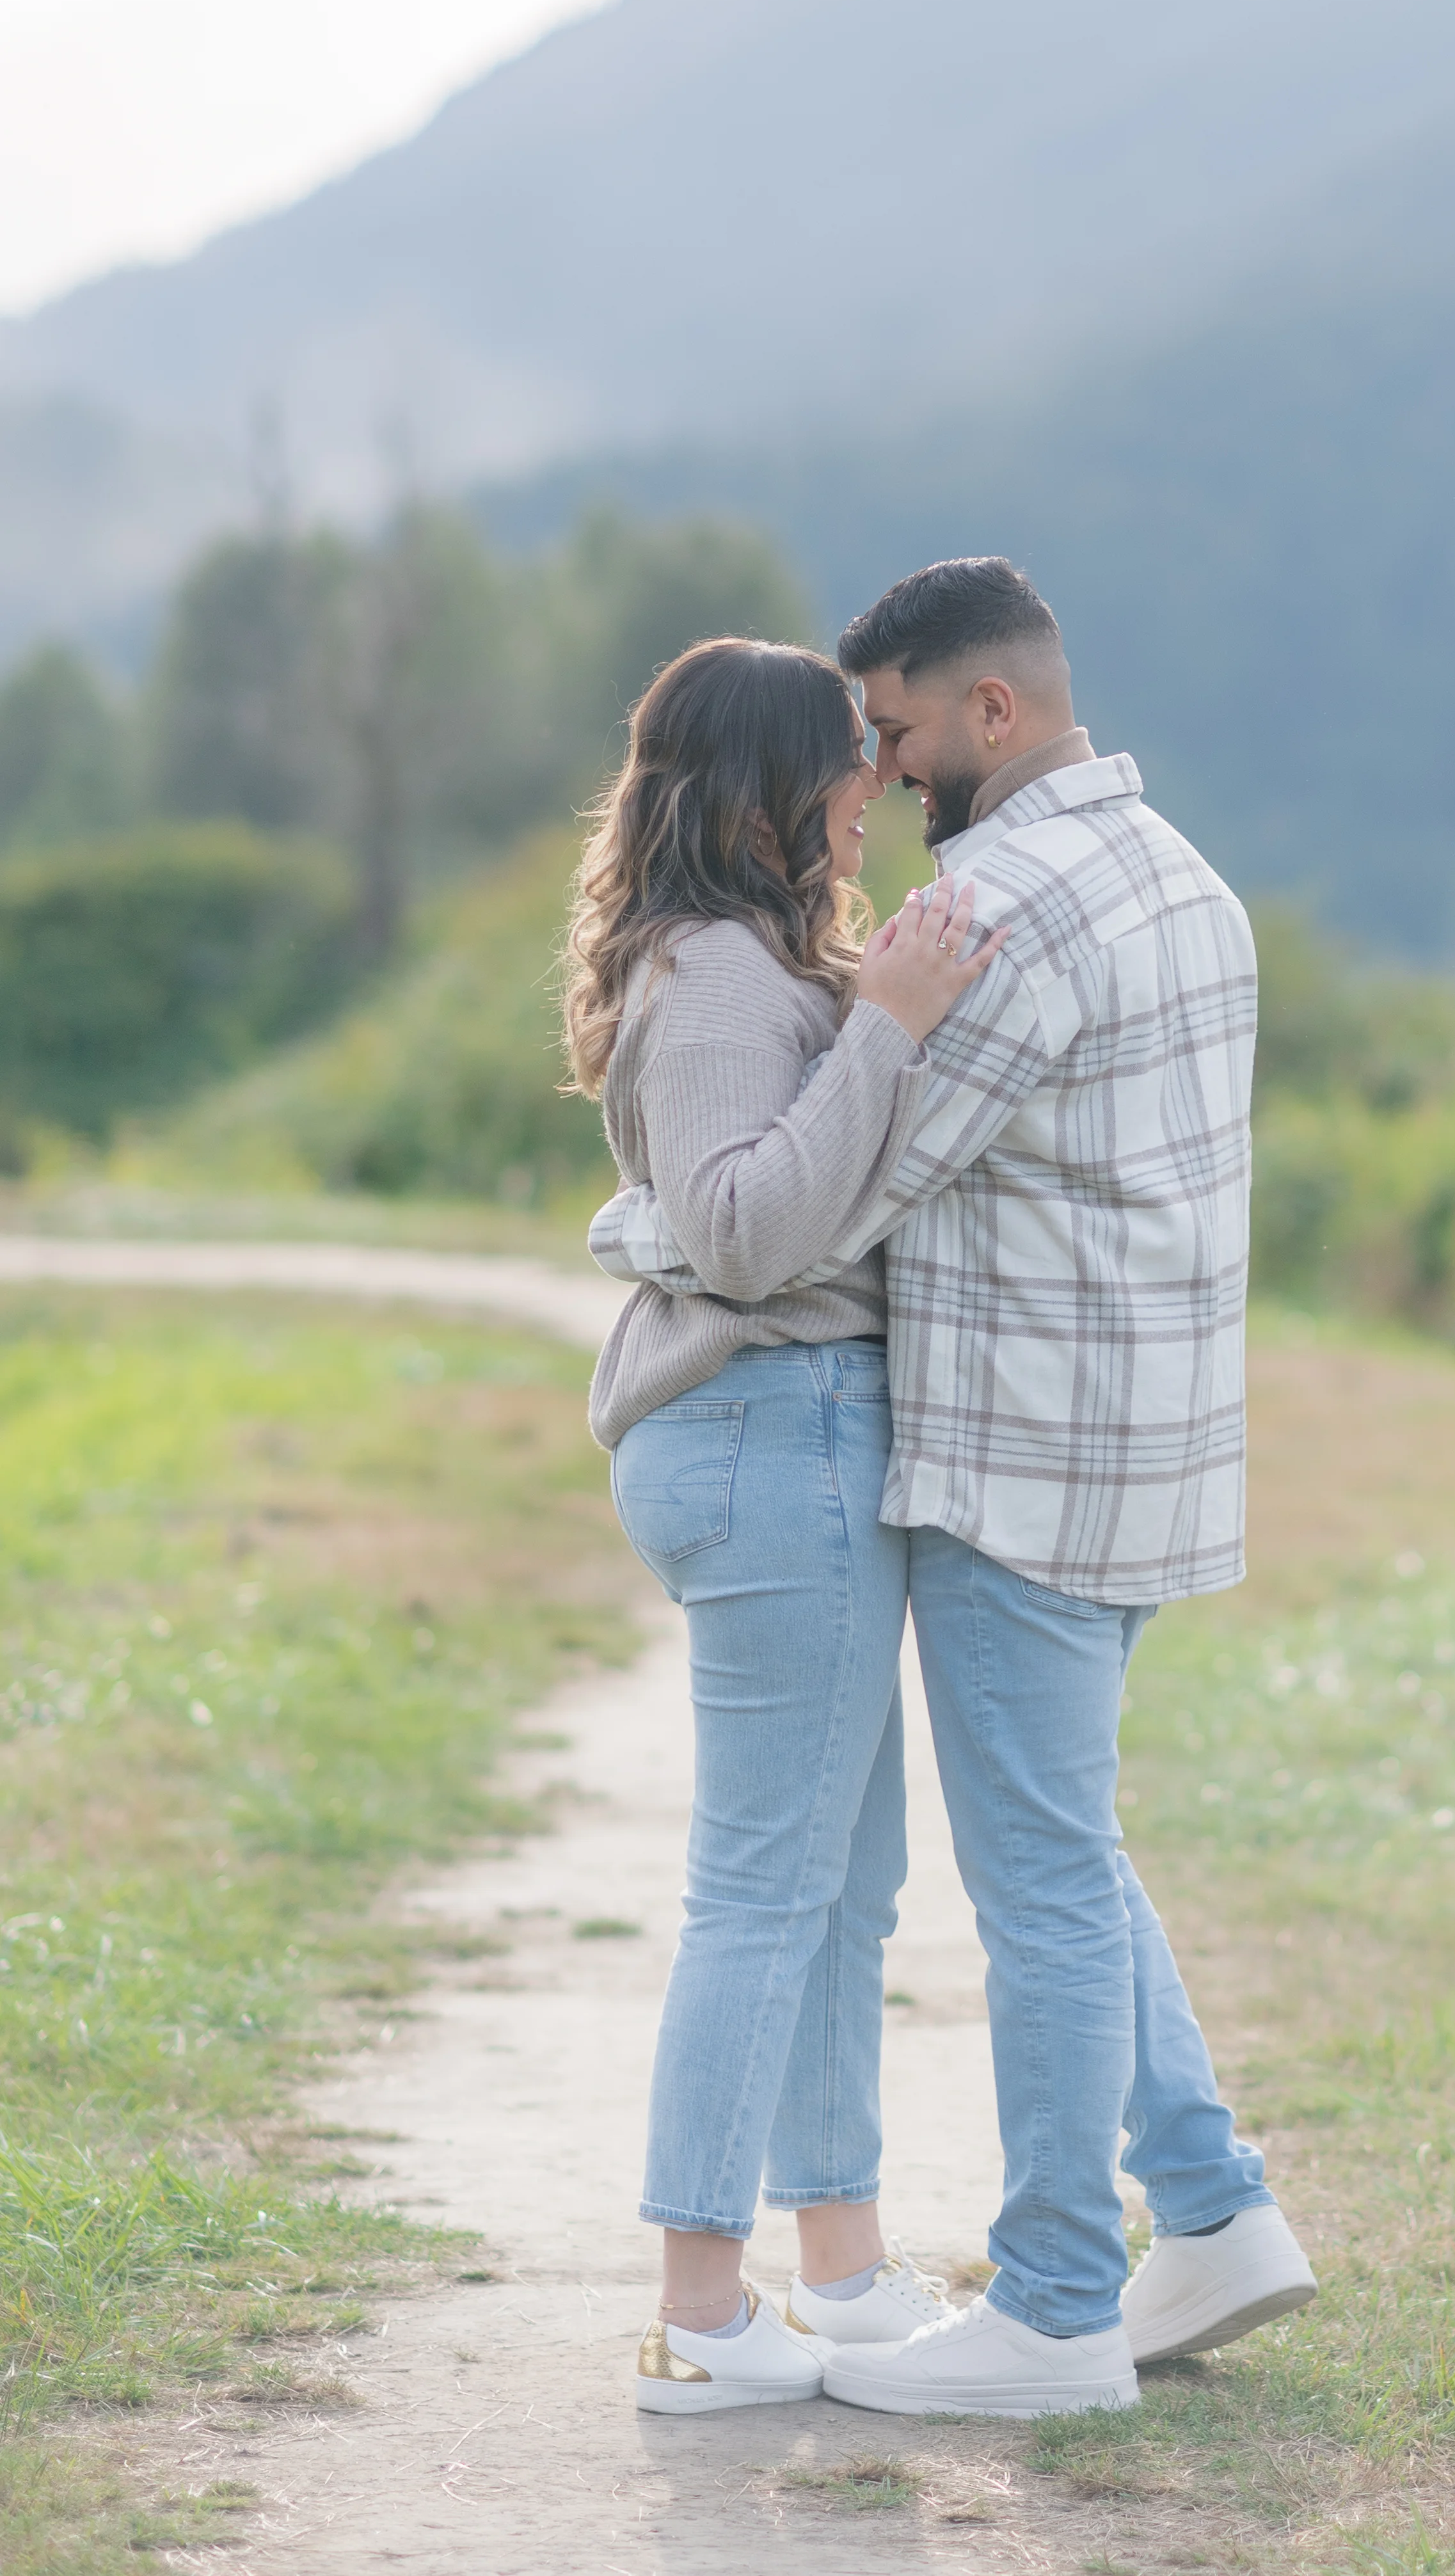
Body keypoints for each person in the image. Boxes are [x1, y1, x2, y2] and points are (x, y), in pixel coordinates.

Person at [800, 555, 1318, 2421]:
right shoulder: (1181, 873)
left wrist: (674, 1224)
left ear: (988, 713)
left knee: (1035, 1886)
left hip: (1024, 1457)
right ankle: (1209, 2213)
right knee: (1068, 1847)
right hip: (1151, 1449)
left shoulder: (1000, 901)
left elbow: (865, 1174)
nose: (885, 769)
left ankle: (1051, 2305)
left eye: (897, 731)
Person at [561, 634, 1001, 2415]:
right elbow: (744, 1233)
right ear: (771, 787)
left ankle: (838, 2265)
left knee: (841, 1885)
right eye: (849, 760)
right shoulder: (726, 978)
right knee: (763, 1890)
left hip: (785, 1442)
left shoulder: (730, 961)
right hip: (775, 1433)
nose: (875, 788)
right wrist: (887, 1029)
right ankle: (699, 2309)